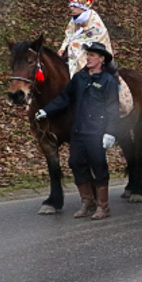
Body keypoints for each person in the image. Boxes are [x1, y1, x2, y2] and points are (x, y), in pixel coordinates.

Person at [36, 42, 119, 220]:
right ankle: (87, 202)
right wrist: (46, 110)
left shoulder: (108, 81)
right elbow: (65, 97)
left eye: (92, 55)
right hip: (79, 129)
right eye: (87, 55)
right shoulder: (80, 78)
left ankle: (103, 207)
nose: (88, 58)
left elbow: (113, 108)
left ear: (101, 59)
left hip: (97, 131)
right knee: (75, 163)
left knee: (98, 166)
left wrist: (110, 132)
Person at [58, 0, 113, 76]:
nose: (71, 8)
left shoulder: (94, 21)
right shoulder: (74, 20)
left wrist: (74, 43)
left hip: (90, 51)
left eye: (75, 6)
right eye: (71, 5)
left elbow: (95, 36)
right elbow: (69, 35)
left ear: (83, 8)